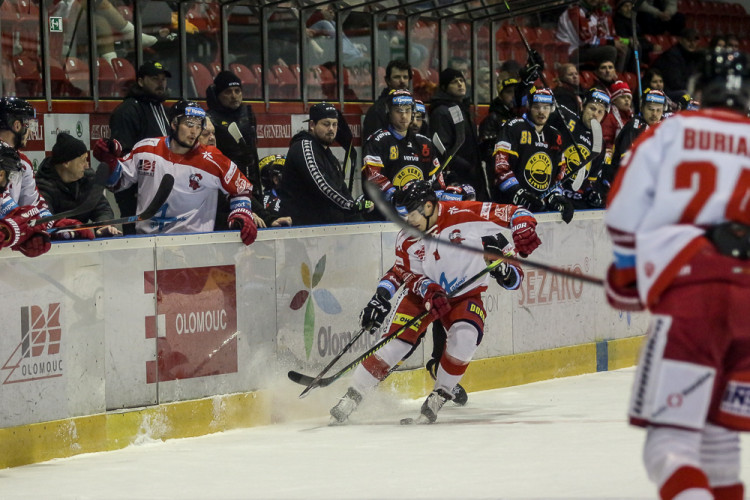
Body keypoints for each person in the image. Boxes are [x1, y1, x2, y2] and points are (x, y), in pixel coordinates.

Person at [604, 48, 750, 500]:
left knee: (669, 443)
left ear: (697, 89)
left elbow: (623, 214)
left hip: (693, 297)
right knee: (720, 440)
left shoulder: (669, 132)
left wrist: (626, 274)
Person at [329, 180, 541, 424]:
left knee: (465, 336)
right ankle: (351, 396)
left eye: (411, 213)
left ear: (429, 206)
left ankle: (441, 394)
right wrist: (423, 291)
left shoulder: (469, 218)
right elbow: (407, 274)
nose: (408, 220)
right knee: (397, 345)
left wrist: (517, 240)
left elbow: (517, 226)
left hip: (465, 296)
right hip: (423, 297)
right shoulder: (407, 237)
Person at [93, 100, 257, 244]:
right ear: (174, 124)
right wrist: (110, 161)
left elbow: (241, 190)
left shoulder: (213, 158)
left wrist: (241, 214)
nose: (194, 131)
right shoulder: (146, 148)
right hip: (148, 243)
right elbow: (117, 182)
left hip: (195, 245)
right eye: (189, 124)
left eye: (199, 125)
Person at [0, 98, 92, 251]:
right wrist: (26, 225)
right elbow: (13, 210)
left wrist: (53, 224)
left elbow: (33, 206)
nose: (30, 132)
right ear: (16, 126)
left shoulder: (22, 162)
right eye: (27, 125)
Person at [278, 102, 372, 226]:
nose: (331, 129)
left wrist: (357, 219)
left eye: (335, 124)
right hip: (301, 231)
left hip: (323, 231)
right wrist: (350, 206)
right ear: (312, 125)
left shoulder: (327, 153)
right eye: (326, 124)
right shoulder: (303, 146)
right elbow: (322, 185)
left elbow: (341, 189)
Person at [109, 60, 172, 235]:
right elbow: (124, 156)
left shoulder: (164, 110)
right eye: (155, 78)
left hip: (163, 190)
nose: (161, 83)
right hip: (136, 193)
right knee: (136, 240)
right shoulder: (127, 111)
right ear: (141, 81)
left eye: (163, 79)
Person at [492, 88, 573, 223]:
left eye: (546, 107)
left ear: (552, 109)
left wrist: (556, 197)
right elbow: (501, 167)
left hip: (540, 210)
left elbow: (559, 174)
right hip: (509, 209)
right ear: (528, 107)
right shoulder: (514, 127)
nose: (541, 111)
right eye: (537, 107)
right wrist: (519, 194)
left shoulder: (555, 135)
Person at [362, 90, 443, 206]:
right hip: (386, 215)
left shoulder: (425, 144)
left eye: (408, 110)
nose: (404, 116)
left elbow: (437, 184)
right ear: (389, 112)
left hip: (418, 215)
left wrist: (444, 195)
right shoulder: (378, 141)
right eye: (398, 111)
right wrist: (398, 196)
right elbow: (373, 177)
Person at [35, 133, 121, 238]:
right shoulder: (42, 186)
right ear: (66, 163)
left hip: (83, 245)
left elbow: (102, 209)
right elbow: (46, 223)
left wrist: (104, 225)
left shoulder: (88, 178)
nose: (87, 165)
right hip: (54, 247)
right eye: (83, 160)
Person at [205, 71, 262, 228]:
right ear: (218, 95)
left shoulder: (248, 113)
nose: (234, 96)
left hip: (250, 182)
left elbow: (253, 153)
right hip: (224, 187)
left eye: (237, 91)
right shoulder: (209, 119)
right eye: (228, 92)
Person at [430, 68, 488, 200]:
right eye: (454, 82)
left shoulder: (463, 109)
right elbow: (441, 149)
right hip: (456, 177)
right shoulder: (441, 112)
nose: (460, 84)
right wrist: (466, 167)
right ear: (444, 87)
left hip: (473, 176)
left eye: (461, 80)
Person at [549, 88, 611, 209]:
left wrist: (590, 193)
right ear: (583, 107)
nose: (595, 114)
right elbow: (539, 112)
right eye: (592, 108)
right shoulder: (566, 118)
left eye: (600, 112)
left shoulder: (599, 142)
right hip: (553, 192)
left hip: (576, 200)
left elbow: (590, 180)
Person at [603, 88, 666, 185]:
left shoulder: (663, 127)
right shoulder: (635, 125)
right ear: (642, 108)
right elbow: (627, 160)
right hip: (620, 181)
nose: (654, 114)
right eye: (650, 109)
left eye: (658, 110)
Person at [0, 146, 52, 258]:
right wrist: (7, 231)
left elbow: (23, 216)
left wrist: (18, 237)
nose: (9, 184)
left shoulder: (2, 194)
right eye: (11, 177)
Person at [556, 0, 628, 72]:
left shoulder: (593, 14)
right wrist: (612, 42)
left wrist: (625, 41)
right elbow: (588, 39)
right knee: (610, 51)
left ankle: (619, 78)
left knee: (625, 48)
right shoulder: (574, 12)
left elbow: (602, 35)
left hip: (584, 48)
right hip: (570, 52)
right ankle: (606, 78)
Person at [362, 59, 413, 140]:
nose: (402, 81)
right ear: (387, 80)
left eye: (405, 77)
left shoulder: (416, 106)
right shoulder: (378, 110)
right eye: (397, 77)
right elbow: (372, 145)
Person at [651, 28, 703, 99]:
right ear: (681, 40)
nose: (692, 44)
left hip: (681, 89)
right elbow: (675, 84)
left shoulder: (694, 56)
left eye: (695, 41)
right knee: (687, 95)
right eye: (689, 40)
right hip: (665, 91)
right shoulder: (672, 56)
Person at [601, 80, 633, 150]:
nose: (627, 100)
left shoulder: (632, 117)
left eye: (629, 97)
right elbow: (605, 142)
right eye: (623, 97)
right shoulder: (609, 117)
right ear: (614, 100)